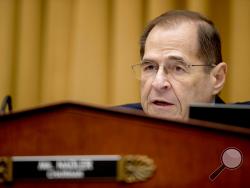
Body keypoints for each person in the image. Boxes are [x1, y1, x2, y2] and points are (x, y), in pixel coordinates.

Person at [123, 10, 228, 120]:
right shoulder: (114, 125)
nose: (158, 83)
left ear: (217, 78)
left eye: (178, 68)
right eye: (150, 67)